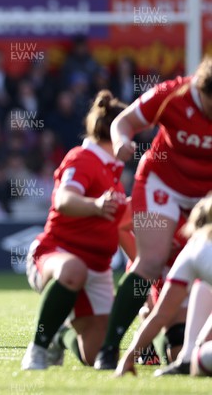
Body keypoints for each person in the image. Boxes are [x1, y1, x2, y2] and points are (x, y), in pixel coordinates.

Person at [94, 57, 212, 370]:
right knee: (151, 261)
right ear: (202, 91)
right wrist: (122, 143)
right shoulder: (173, 94)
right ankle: (110, 347)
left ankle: (192, 352)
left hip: (206, 196)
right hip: (163, 184)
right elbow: (124, 122)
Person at [21, 90, 131, 369]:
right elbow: (63, 200)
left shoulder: (113, 171)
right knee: (73, 270)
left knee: (98, 357)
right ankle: (38, 348)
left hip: (98, 269)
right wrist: (95, 205)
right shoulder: (82, 158)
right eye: (130, 130)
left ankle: (61, 336)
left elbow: (121, 227)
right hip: (55, 254)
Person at [115, 194, 212, 376]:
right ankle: (184, 353)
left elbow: (161, 314)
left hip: (178, 295)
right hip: (172, 293)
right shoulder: (190, 249)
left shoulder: (194, 250)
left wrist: (127, 359)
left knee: (198, 359)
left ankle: (188, 355)